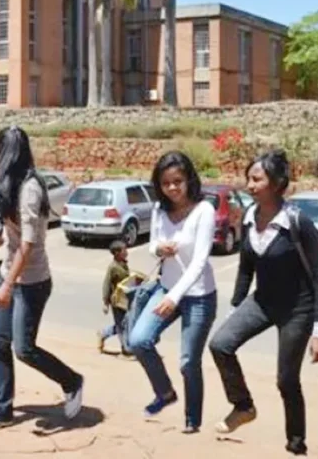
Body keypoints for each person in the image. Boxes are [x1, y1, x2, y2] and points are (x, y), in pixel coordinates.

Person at [209, 149, 318, 456]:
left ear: (277, 184)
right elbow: (246, 268)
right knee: (220, 344)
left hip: (297, 310)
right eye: (248, 178)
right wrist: (236, 308)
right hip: (262, 302)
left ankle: (296, 444)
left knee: (286, 380)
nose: (249, 185)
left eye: (257, 179)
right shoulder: (250, 218)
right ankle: (243, 406)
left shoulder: (297, 222)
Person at [0, 126, 84, 430]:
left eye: (0, 151)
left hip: (31, 282)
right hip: (10, 272)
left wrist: (7, 285)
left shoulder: (31, 188)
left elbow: (28, 244)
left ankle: (72, 381)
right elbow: (8, 227)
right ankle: (1, 409)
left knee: (24, 349)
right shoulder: (11, 183)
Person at [126, 150, 218, 433]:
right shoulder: (159, 210)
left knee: (189, 361)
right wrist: (159, 248)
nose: (173, 188)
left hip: (198, 294)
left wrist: (173, 297)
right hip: (166, 288)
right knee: (138, 340)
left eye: (178, 181)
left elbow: (200, 262)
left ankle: (193, 419)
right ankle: (165, 393)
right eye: (166, 183)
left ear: (189, 178)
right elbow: (153, 244)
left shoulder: (205, 210)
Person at [98, 240, 131, 355]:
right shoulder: (113, 267)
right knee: (121, 324)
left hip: (125, 299)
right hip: (116, 300)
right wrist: (105, 303)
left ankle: (104, 333)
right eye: (124, 250)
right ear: (117, 253)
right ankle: (125, 348)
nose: (127, 251)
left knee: (125, 322)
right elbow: (106, 285)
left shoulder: (123, 264)